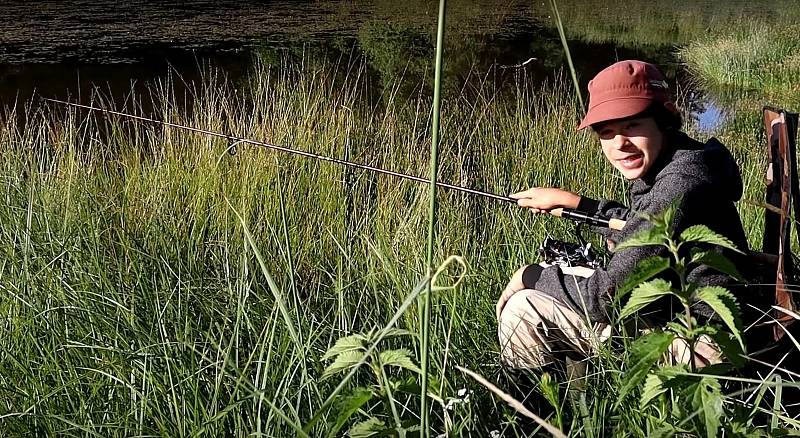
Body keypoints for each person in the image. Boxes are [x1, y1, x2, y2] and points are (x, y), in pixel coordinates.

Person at [496, 60, 758, 369]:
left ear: (666, 117)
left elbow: (604, 297)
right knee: (558, 285)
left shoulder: (679, 183)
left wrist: (530, 276)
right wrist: (579, 205)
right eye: (607, 132)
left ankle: (530, 414)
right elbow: (643, 226)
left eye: (632, 125)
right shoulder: (681, 159)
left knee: (524, 309)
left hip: (701, 341)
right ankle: (571, 399)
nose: (620, 144)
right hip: (686, 313)